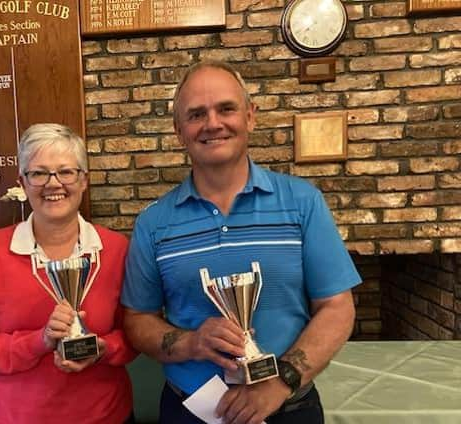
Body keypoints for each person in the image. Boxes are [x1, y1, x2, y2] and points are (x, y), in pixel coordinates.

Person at [121, 61, 361, 424]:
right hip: (190, 411)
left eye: (226, 108)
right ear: (178, 130)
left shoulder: (302, 202)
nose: (212, 123)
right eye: (196, 114)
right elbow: (138, 320)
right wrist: (192, 343)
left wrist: (280, 382)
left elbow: (337, 307)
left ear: (250, 116)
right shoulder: (153, 223)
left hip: (289, 408)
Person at [0, 123, 137, 424]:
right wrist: (40, 340)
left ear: (84, 180)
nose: (54, 184)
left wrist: (104, 349)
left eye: (66, 171)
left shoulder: (116, 250)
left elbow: (135, 334)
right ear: (22, 183)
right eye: (38, 173)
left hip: (106, 416)